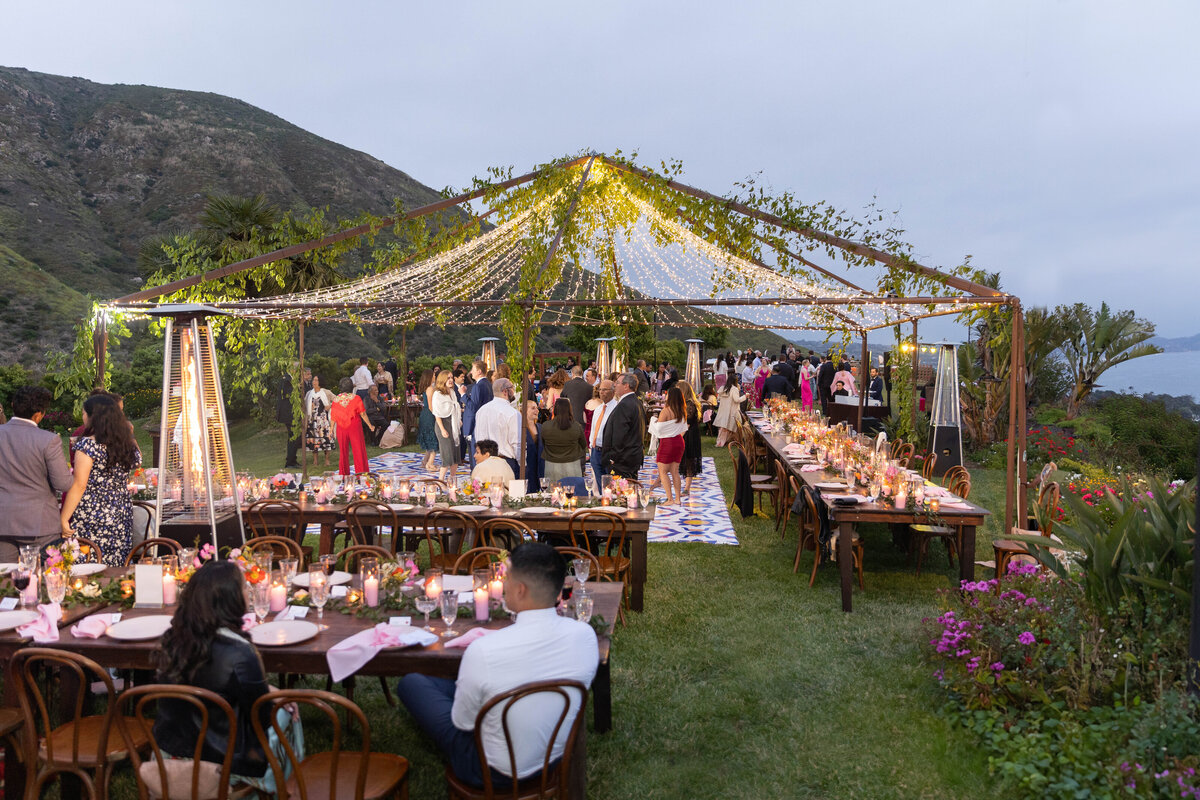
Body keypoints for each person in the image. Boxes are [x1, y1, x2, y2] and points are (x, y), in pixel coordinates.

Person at [397, 543, 596, 789]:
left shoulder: (483, 652)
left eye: (506, 578)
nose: (502, 584)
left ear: (521, 590)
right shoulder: (585, 636)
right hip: (552, 759)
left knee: (411, 684)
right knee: (430, 684)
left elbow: (463, 723)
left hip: (491, 771)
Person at [155, 560, 303, 794]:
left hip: (170, 751)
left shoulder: (174, 638)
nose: (249, 592)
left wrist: (268, 691)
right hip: (223, 759)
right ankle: (279, 787)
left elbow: (206, 685)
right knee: (286, 712)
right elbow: (261, 718)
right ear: (230, 598)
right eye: (245, 588)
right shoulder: (240, 652)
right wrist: (272, 698)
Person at [60, 394, 142, 567]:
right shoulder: (126, 443)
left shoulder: (88, 446)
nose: (83, 417)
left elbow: (80, 485)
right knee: (116, 561)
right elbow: (138, 460)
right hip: (120, 511)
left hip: (92, 512)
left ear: (93, 417)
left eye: (84, 413)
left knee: (87, 562)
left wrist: (64, 518)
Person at [0, 387, 74, 561]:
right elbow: (63, 484)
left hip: (3, 521)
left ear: (13, 405)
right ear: (39, 414)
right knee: (43, 580)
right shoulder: (48, 440)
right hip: (39, 524)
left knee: (4, 582)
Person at [473, 377, 521, 477]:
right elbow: (517, 443)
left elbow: (477, 437)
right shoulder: (512, 413)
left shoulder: (481, 410)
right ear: (505, 391)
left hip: (484, 460)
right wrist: (522, 464)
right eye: (512, 388)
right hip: (505, 462)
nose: (514, 391)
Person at [601, 373, 644, 481]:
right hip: (632, 456)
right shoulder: (637, 402)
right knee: (629, 491)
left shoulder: (625, 404)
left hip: (623, 460)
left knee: (621, 493)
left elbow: (620, 434)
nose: (615, 385)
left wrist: (612, 457)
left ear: (626, 386)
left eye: (618, 383)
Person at [648, 387, 687, 505]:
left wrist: (653, 420)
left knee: (663, 471)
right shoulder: (682, 410)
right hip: (679, 441)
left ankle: (670, 499)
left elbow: (659, 428)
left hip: (668, 443)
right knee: (675, 471)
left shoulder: (666, 410)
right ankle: (678, 499)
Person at [331, 377, 374, 476]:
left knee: (343, 452)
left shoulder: (336, 399)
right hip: (354, 426)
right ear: (351, 387)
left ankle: (344, 475)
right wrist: (370, 425)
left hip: (341, 427)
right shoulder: (356, 398)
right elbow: (363, 414)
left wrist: (331, 430)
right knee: (358, 450)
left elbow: (333, 416)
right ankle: (361, 474)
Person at [541, 398, 586, 483]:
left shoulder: (545, 426)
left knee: (552, 494)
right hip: (572, 466)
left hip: (551, 466)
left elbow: (543, 443)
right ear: (569, 409)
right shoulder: (576, 426)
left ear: (555, 409)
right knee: (573, 493)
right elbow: (583, 445)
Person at [431, 371, 462, 484]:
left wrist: (459, 420)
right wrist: (443, 429)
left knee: (455, 454)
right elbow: (436, 414)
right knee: (447, 455)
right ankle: (440, 481)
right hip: (443, 425)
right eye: (448, 378)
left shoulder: (452, 392)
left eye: (451, 378)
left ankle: (452, 480)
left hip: (453, 424)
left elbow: (454, 407)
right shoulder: (438, 394)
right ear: (442, 380)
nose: (450, 380)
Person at [462, 360, 493, 470]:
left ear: (479, 371)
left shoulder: (478, 386)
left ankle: (475, 482)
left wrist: (463, 395)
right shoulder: (488, 384)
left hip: (475, 425)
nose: (470, 372)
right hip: (484, 423)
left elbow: (473, 407)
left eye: (473, 370)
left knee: (475, 458)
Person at [586, 379, 617, 487]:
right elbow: (594, 428)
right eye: (600, 389)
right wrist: (591, 445)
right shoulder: (598, 409)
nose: (602, 392)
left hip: (608, 451)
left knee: (610, 484)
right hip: (596, 451)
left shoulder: (617, 409)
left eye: (605, 390)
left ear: (613, 392)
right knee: (600, 484)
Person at [304, 375, 336, 469]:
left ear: (320, 382)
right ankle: (315, 460)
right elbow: (305, 405)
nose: (314, 382)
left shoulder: (326, 392)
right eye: (313, 380)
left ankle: (327, 459)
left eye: (316, 380)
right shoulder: (309, 393)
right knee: (314, 440)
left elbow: (336, 400)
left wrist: (329, 406)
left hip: (323, 421)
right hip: (312, 419)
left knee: (325, 439)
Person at [678, 382, 704, 496]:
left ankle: (687, 488)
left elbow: (687, 423)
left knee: (689, 460)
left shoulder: (690, 404)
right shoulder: (685, 403)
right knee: (684, 460)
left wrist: (678, 437)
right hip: (687, 433)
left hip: (689, 435)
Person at [714, 370, 745, 448]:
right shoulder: (734, 389)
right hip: (732, 411)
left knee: (723, 428)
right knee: (735, 425)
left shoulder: (723, 388)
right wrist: (745, 396)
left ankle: (721, 441)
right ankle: (736, 440)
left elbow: (719, 398)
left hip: (723, 410)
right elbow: (737, 400)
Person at [416, 369, 439, 471]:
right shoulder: (430, 389)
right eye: (433, 375)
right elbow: (431, 406)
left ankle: (425, 461)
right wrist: (437, 416)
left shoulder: (428, 388)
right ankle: (430, 464)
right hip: (429, 415)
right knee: (433, 438)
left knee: (430, 438)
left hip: (425, 414)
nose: (435, 377)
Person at [522, 400, 544, 494]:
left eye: (537, 408)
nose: (537, 410)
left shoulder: (540, 427)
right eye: (533, 408)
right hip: (526, 468)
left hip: (539, 469)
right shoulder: (521, 428)